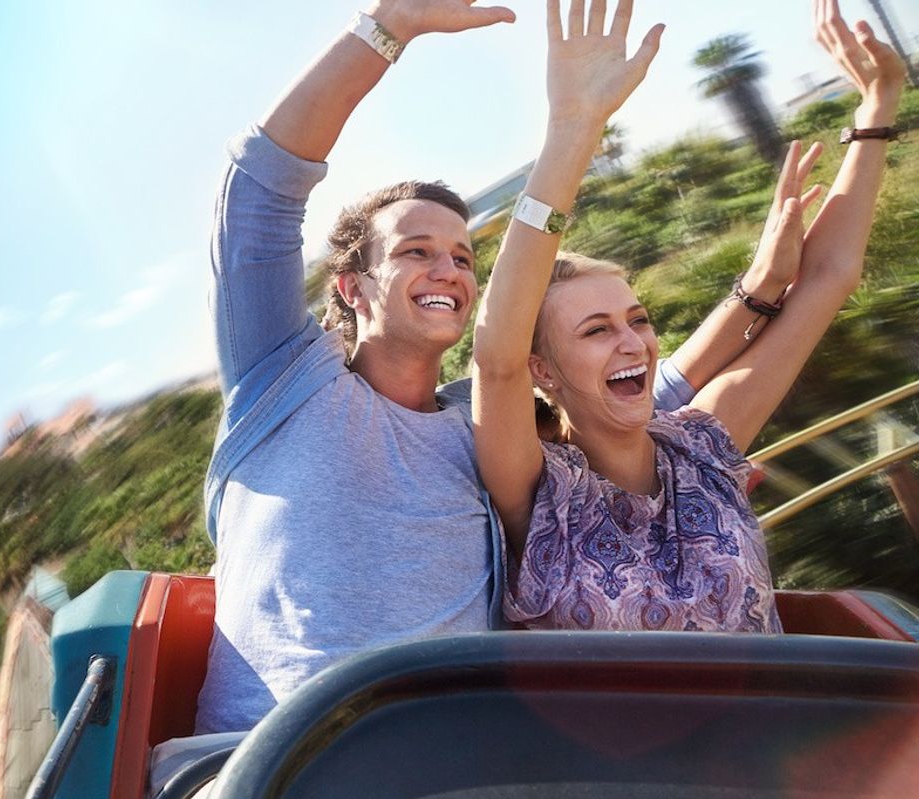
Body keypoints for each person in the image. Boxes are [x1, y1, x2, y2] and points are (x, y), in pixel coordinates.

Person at [196, 0, 804, 735]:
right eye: (417, 250)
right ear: (352, 287)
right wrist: (389, 26)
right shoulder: (284, 381)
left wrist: (761, 288)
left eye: (463, 257)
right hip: (275, 758)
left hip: (461, 768)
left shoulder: (479, 429)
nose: (448, 268)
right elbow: (259, 191)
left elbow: (643, 393)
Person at [471, 0, 906, 631]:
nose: (633, 342)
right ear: (543, 369)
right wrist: (575, 126)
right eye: (595, 330)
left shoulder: (702, 445)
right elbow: (495, 355)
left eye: (637, 319)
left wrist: (875, 107)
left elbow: (828, 282)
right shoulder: (538, 494)